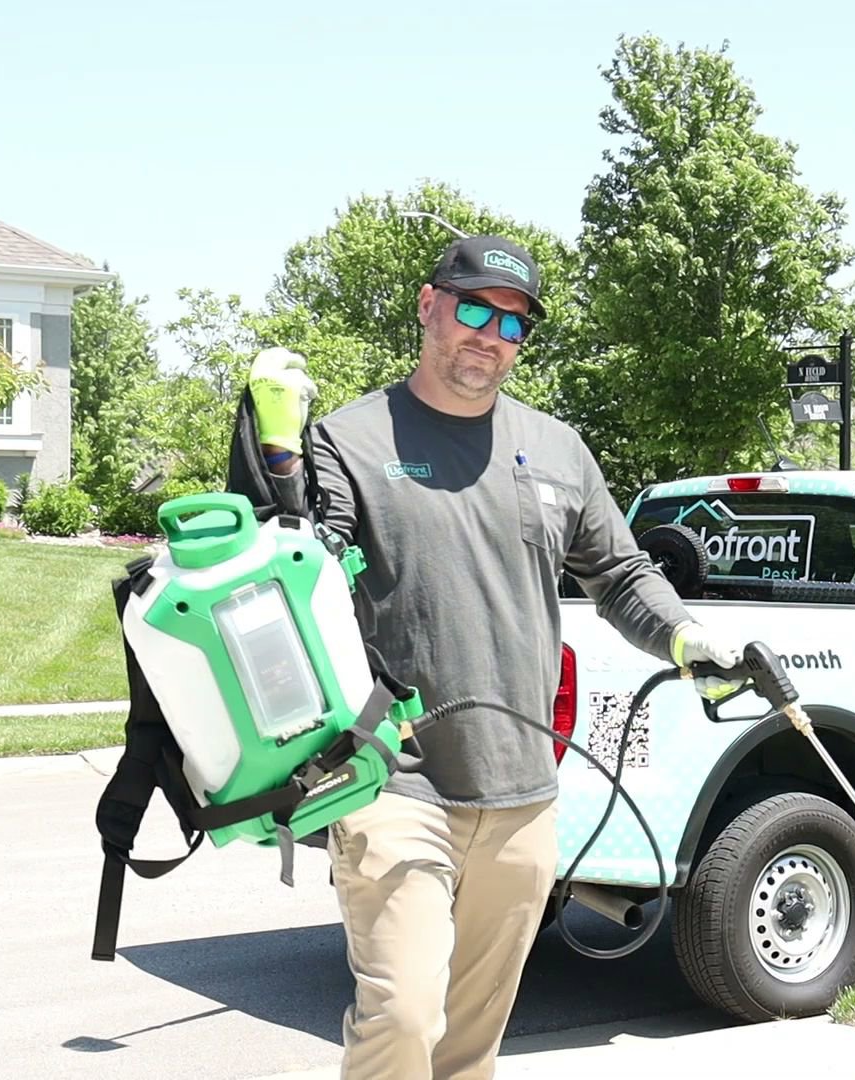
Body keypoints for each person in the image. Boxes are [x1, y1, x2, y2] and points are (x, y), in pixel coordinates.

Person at [244, 234, 747, 1080]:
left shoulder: (557, 448)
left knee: (469, 1048)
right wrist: (278, 455)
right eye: (474, 310)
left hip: (521, 792)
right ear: (427, 305)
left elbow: (621, 573)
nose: (491, 336)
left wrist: (685, 636)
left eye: (514, 324)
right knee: (404, 1015)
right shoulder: (350, 440)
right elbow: (291, 567)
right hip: (390, 779)